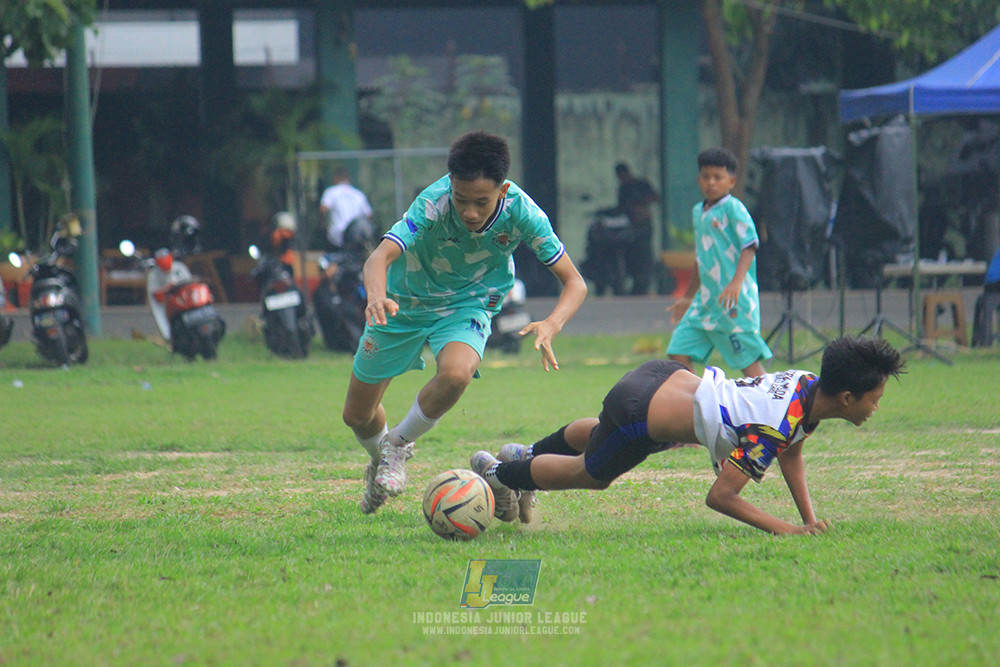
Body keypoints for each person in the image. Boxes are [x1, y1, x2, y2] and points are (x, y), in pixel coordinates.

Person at [342, 130, 588, 515]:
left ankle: (397, 446)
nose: (469, 212)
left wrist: (553, 323)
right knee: (357, 415)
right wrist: (376, 296)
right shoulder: (433, 203)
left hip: (467, 302)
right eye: (461, 200)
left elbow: (575, 282)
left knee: (457, 373)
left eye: (481, 202)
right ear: (450, 186)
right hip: (401, 303)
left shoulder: (522, 212)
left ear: (503, 190)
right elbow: (378, 259)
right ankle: (379, 462)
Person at [471, 335, 905, 535]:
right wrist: (786, 529)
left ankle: (524, 453)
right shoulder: (777, 427)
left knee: (605, 433)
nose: (876, 407)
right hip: (643, 413)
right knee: (592, 474)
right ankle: (497, 474)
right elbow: (721, 497)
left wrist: (809, 519)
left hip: (663, 377)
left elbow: (792, 452)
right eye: (874, 398)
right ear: (847, 398)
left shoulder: (808, 385)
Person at [667, 147, 772, 378]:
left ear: (731, 181)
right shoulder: (698, 212)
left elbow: (750, 246)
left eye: (718, 177)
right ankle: (693, 405)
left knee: (750, 366)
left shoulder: (734, 209)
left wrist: (736, 282)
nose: (711, 183)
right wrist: (687, 297)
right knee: (677, 352)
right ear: (698, 179)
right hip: (705, 304)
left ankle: (778, 406)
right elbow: (701, 258)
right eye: (706, 177)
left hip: (733, 303)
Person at [615, 162, 659, 295]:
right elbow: (621, 208)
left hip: (644, 226)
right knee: (632, 257)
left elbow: (656, 198)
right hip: (631, 228)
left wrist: (641, 202)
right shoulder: (623, 189)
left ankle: (643, 285)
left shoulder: (640, 184)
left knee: (645, 257)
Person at [319, 167, 374, 252]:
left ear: (336, 178)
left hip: (337, 236)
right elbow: (369, 215)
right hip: (357, 235)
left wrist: (323, 224)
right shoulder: (358, 194)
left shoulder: (331, 192)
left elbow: (323, 209)